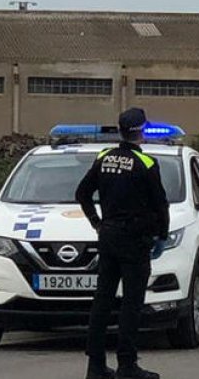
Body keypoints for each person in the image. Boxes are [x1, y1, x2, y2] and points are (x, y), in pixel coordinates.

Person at [76, 108, 170, 379]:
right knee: (131, 303)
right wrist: (161, 236)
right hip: (135, 240)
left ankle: (95, 366)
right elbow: (160, 204)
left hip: (108, 237)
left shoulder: (104, 157)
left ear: (120, 131)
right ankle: (127, 364)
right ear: (142, 130)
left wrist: (97, 222)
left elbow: (82, 193)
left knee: (102, 301)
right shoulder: (147, 163)